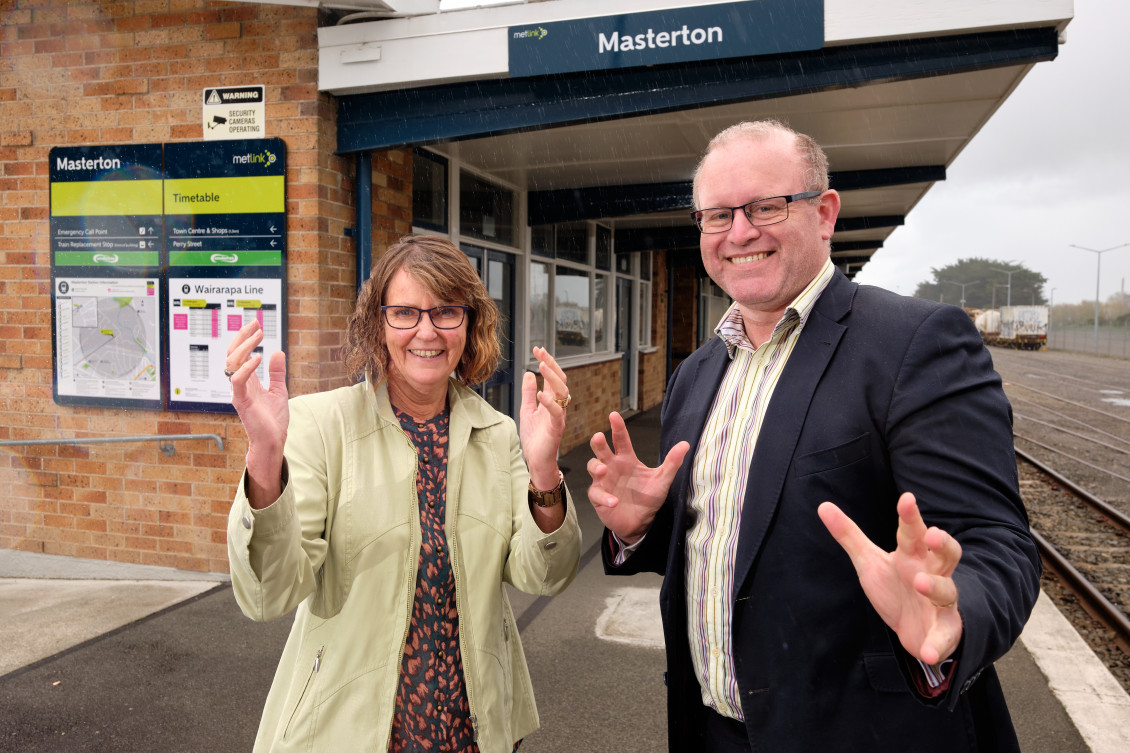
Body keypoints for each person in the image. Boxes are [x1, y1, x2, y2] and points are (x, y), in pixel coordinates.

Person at [586, 120, 1041, 752]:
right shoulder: (695, 375)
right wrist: (642, 528)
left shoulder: (915, 344)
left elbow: (997, 542)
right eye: (716, 216)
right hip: (711, 732)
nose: (739, 232)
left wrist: (955, 610)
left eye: (766, 207)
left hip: (865, 734)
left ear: (824, 214)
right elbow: (740, 547)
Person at [225, 235, 582, 753]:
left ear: (470, 324)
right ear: (377, 324)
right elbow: (269, 593)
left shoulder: (499, 433)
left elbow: (543, 574)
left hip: (472, 729)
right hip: (348, 731)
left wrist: (544, 470)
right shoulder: (323, 426)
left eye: (446, 312)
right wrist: (264, 457)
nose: (427, 331)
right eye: (405, 313)